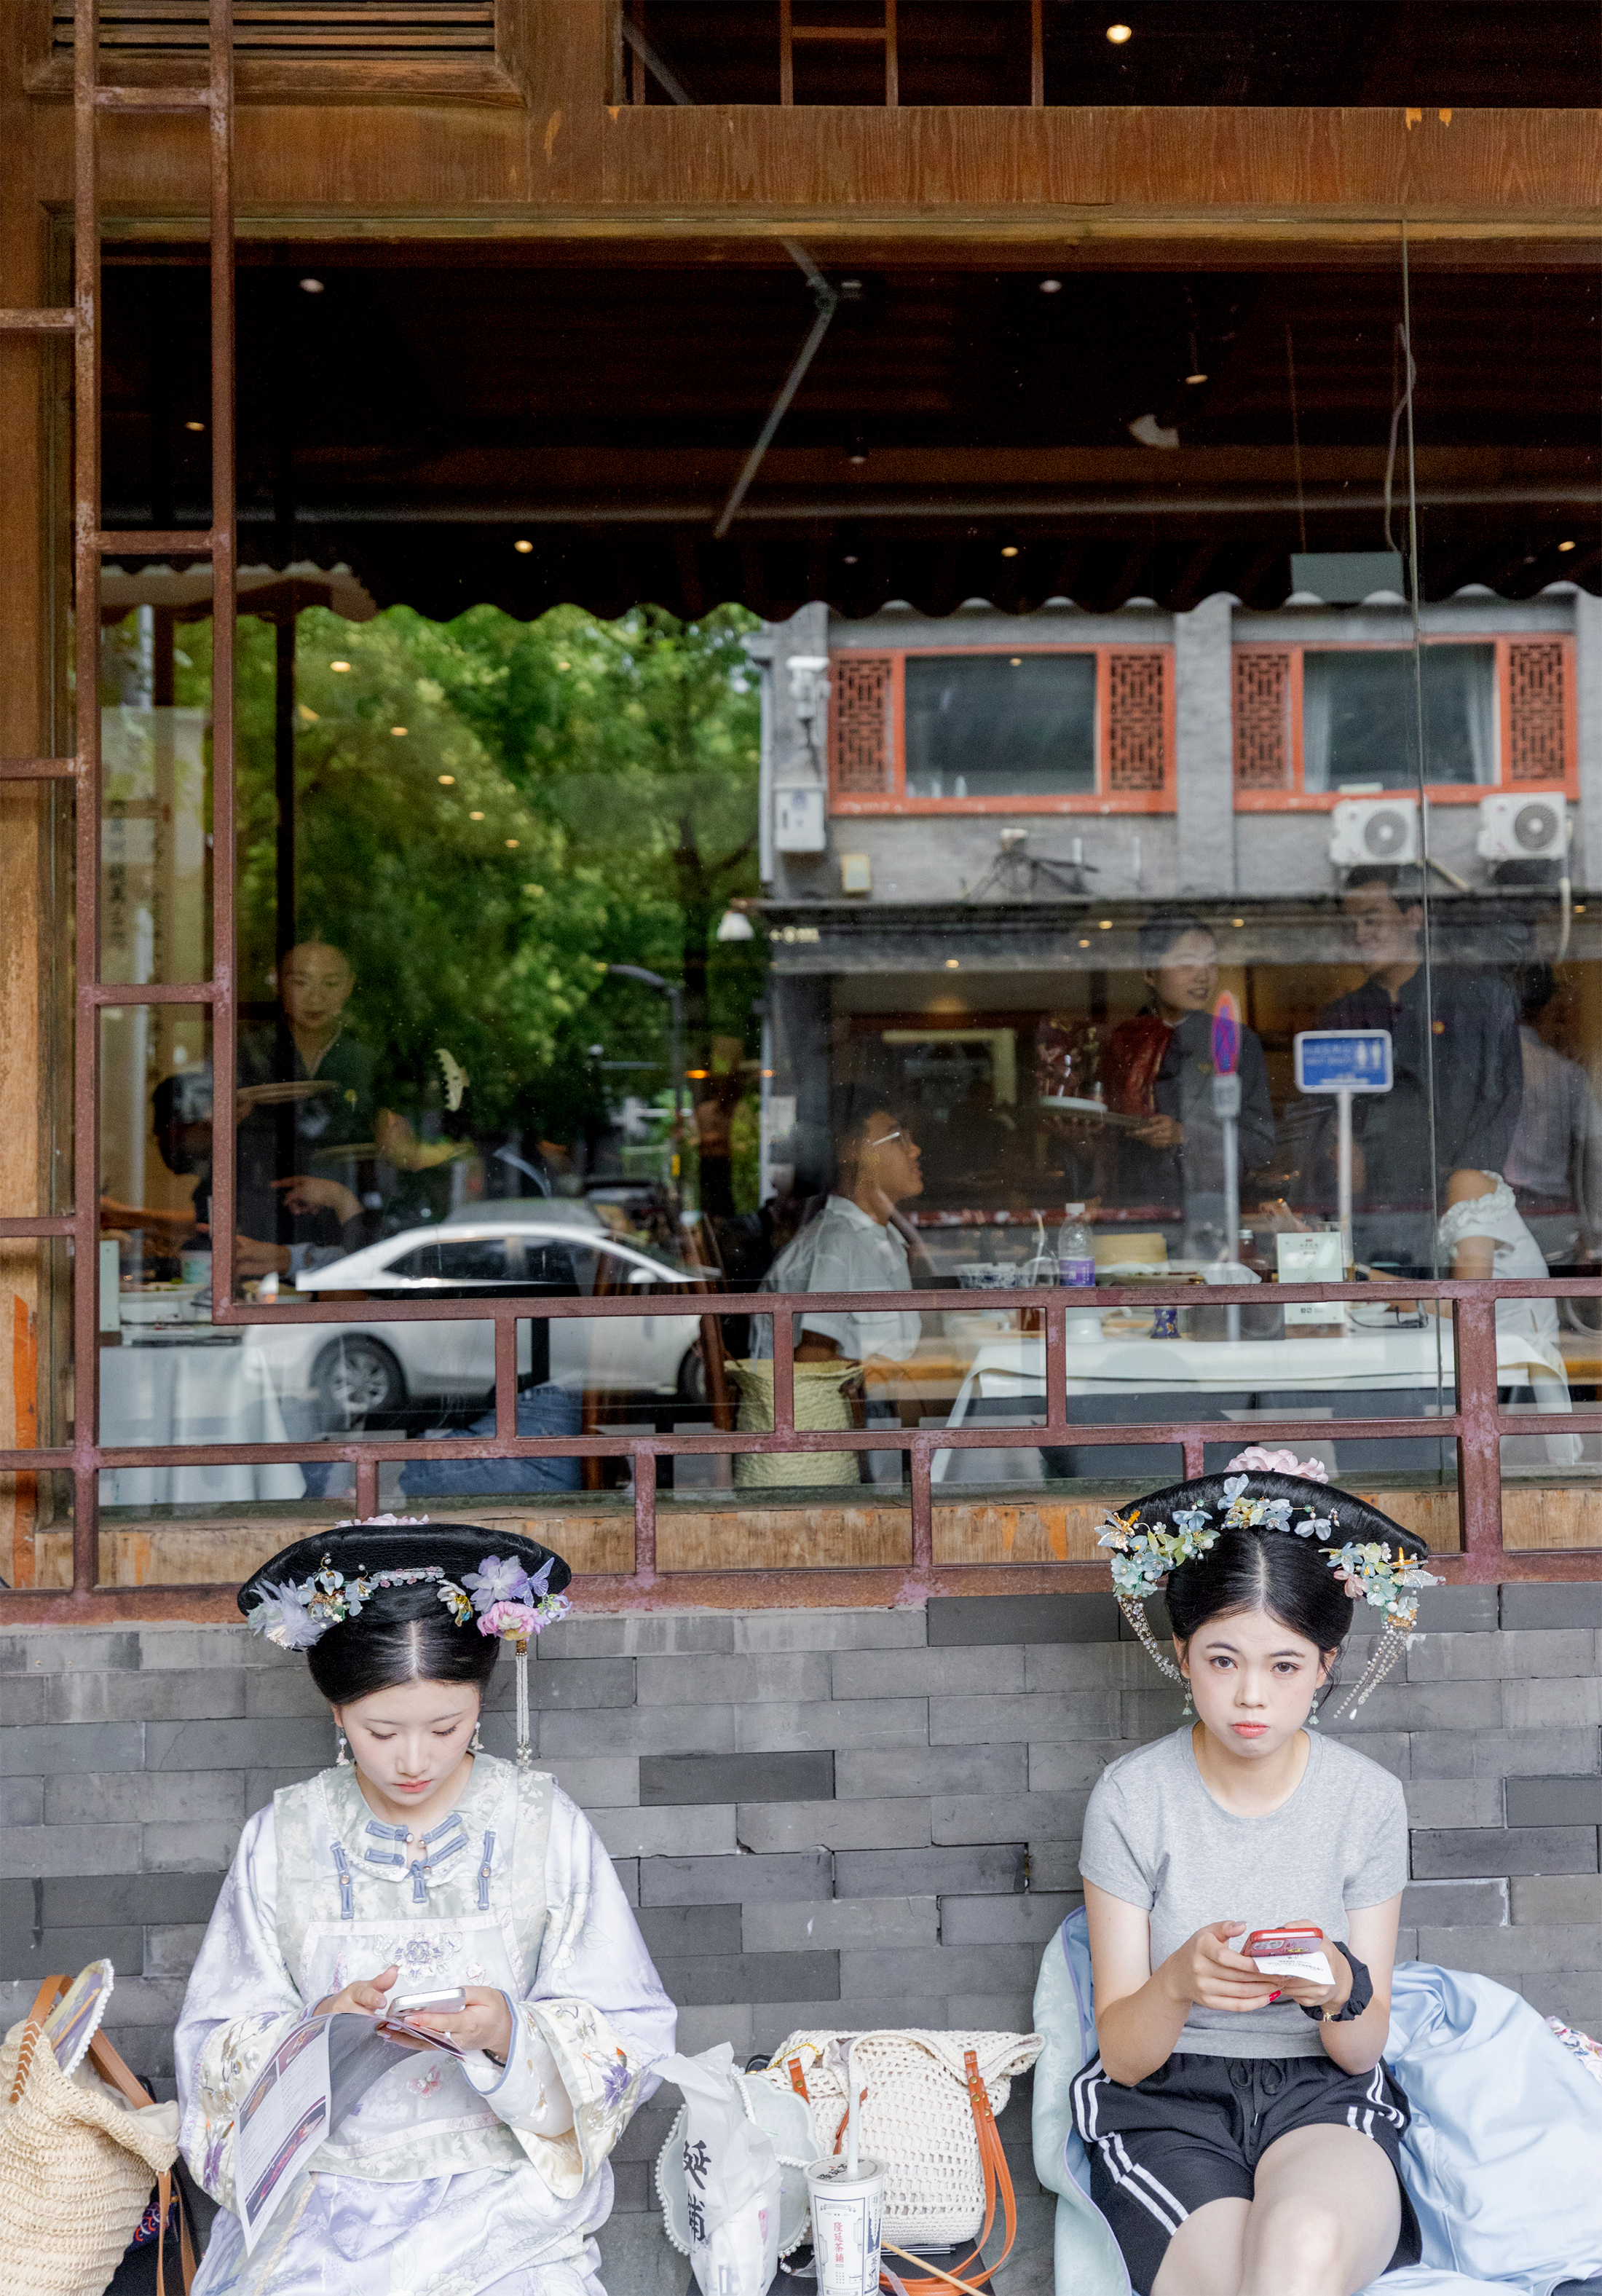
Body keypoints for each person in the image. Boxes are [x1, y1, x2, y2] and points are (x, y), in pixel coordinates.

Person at [175, 1520, 675, 2296]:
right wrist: (318, 2030)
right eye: (380, 1731)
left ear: (481, 1702)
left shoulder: (541, 1824)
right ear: (336, 1712)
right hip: (323, 2200)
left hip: (503, 2199)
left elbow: (628, 2026)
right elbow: (213, 2043)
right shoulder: (283, 1836)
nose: (414, 1760)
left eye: (446, 1727)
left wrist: (509, 2032)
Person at [1076, 1459, 1439, 2296]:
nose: (1250, 1696)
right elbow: (1123, 2057)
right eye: (1222, 1660)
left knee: (1299, 2252)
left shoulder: (1366, 1800)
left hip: (1322, 2098)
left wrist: (1339, 1983)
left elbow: (1361, 2045)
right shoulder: (1132, 1798)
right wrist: (1177, 1982)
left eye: (1283, 1666)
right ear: (1181, 1655)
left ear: (1323, 1666)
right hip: (1167, 2104)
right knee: (1245, 2279)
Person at [1316, 867, 1522, 1272]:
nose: (1359, 934)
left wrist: (1463, 1192)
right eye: (1350, 924)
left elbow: (1501, 1103)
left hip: (1458, 1216)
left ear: (1414, 918)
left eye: (1371, 919)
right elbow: (1326, 1119)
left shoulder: (1476, 1000)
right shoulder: (1341, 1017)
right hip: (1369, 1218)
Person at [232, 939, 464, 1280]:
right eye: (300, 982)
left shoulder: (369, 1058)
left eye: (330, 983)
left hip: (352, 1206)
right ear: (278, 983)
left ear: (349, 986)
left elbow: (401, 1148)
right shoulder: (248, 1050)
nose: (315, 998)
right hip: (265, 1202)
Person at [1092, 916, 1275, 1255]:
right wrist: (1077, 1139)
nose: (1203, 976)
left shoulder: (1235, 1041)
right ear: (1150, 972)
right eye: (1187, 964)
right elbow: (1101, 1149)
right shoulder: (1119, 1042)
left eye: (1211, 963)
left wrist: (1186, 1134)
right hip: (1131, 1220)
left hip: (1207, 1220)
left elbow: (1260, 1144)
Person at [753, 1104, 926, 1370]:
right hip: (850, 1397)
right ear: (856, 1154)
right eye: (898, 1139)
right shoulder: (835, 1243)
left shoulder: (887, 1239)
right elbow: (811, 1359)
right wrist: (886, 1377)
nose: (915, 1150)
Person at [1435, 1166, 1581, 1467]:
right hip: (1502, 1369)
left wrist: (1373, 1285)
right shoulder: (1472, 1189)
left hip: (1515, 1379)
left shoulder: (1468, 1183)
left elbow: (1469, 1299)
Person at [1504, 963, 1602, 1267]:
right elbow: (1595, 1153)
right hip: (1553, 1217)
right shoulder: (1568, 1074)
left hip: (1496, 1211)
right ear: (1548, 1007)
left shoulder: (1488, 1069)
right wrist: (1595, 1229)